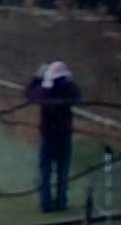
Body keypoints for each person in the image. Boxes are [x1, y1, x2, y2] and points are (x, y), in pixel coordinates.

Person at [25, 60, 81, 213]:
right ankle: (62, 202)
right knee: (63, 171)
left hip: (48, 135)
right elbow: (78, 94)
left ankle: (46, 204)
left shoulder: (46, 92)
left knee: (45, 171)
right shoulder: (69, 90)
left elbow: (30, 93)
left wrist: (37, 78)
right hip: (64, 135)